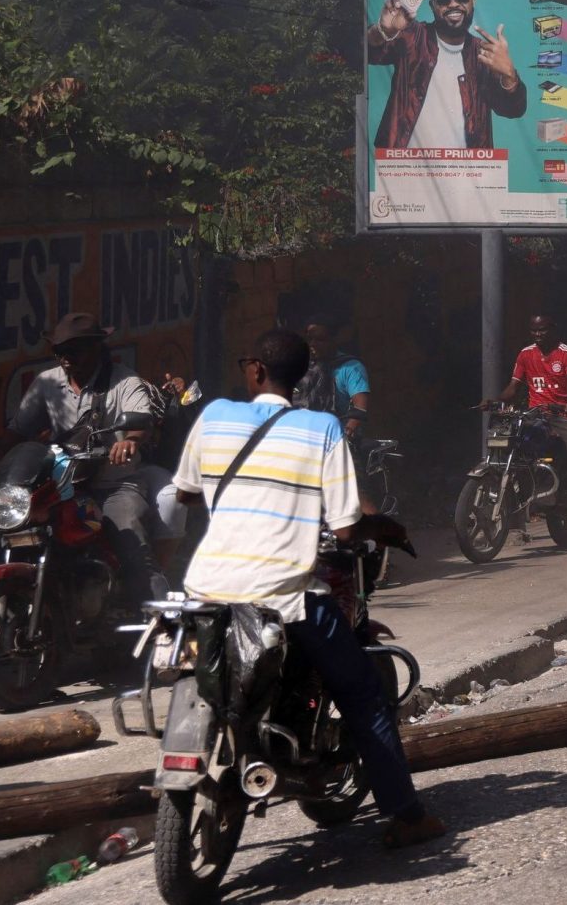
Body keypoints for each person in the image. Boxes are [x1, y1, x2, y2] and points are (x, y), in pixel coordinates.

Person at [172, 328, 447, 851]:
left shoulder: (213, 416)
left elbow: (186, 493)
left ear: (254, 370)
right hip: (284, 595)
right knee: (365, 696)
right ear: (304, 377)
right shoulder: (321, 428)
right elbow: (346, 528)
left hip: (205, 590)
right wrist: (385, 528)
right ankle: (407, 817)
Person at [0, 313, 169, 608]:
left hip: (114, 485)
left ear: (96, 347)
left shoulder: (125, 381)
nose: (65, 358)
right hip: (60, 486)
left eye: (73, 350)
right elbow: (17, 431)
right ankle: (11, 605)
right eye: (59, 351)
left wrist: (130, 441)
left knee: (129, 536)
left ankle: (159, 621)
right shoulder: (46, 383)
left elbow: (140, 422)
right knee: (8, 521)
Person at [489, 315, 567, 546]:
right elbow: (513, 387)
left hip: (562, 416)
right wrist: (494, 400)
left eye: (543, 330)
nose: (538, 334)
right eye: (534, 330)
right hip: (536, 416)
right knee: (513, 447)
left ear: (553, 329)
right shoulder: (525, 354)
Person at [367, 0, 525, 150]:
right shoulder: (413, 37)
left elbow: (512, 110)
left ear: (473, 0)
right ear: (432, 5)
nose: (453, 4)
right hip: (406, 171)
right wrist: (383, 31)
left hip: (467, 174)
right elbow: (370, 53)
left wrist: (509, 75)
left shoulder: (483, 54)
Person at [295, 320, 371, 439]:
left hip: (338, 437)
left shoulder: (351, 368)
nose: (313, 344)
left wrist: (345, 434)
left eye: (320, 340)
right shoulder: (303, 366)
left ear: (334, 340)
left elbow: (360, 409)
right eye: (310, 339)